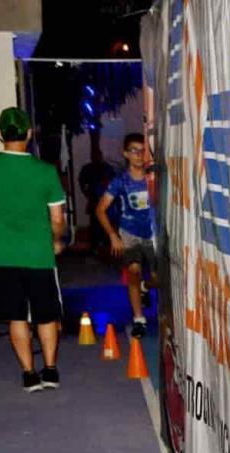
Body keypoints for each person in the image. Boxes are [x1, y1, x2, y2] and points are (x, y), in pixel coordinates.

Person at [0, 106, 67, 391]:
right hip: (39, 256)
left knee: (16, 315)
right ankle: (50, 370)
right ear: (29, 133)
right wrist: (56, 241)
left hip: (2, 256)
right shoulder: (46, 172)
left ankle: (28, 373)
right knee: (46, 314)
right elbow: (57, 219)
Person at [96, 132, 157, 338]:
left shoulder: (154, 177)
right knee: (133, 272)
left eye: (142, 151)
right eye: (134, 151)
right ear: (126, 154)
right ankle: (139, 319)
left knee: (158, 278)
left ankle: (144, 286)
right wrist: (113, 235)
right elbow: (100, 209)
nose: (139, 155)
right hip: (129, 232)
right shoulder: (120, 181)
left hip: (152, 233)